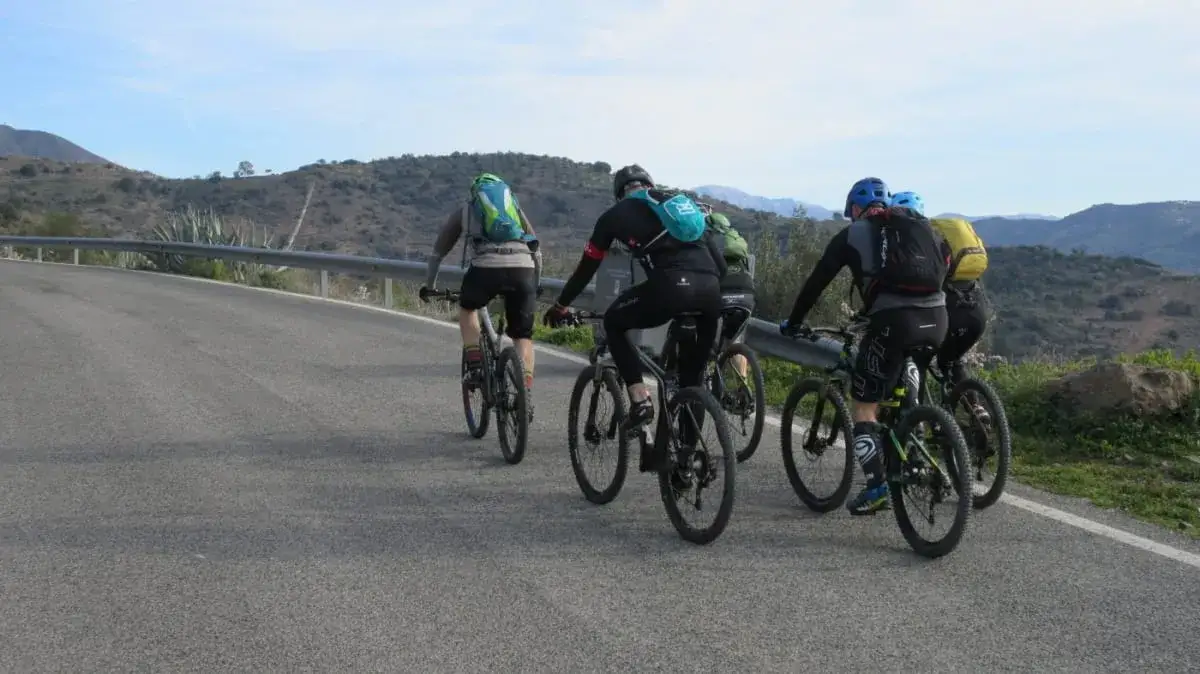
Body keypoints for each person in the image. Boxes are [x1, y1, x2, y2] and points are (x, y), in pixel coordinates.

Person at [780, 177, 950, 515]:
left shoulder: (852, 235)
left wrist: (795, 321)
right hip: (939, 318)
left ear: (855, 209)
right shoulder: (919, 226)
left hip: (894, 322)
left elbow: (817, 281)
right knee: (902, 376)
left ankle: (876, 488)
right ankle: (913, 432)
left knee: (864, 406)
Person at [543, 164, 726, 472]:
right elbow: (720, 266)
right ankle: (686, 462)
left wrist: (561, 304)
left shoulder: (616, 216)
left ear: (620, 194)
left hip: (671, 287)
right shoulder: (679, 205)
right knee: (692, 379)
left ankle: (640, 401)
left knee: (614, 321)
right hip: (710, 292)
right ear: (649, 186)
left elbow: (587, 267)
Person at [420, 172, 543, 415]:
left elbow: (437, 254)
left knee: (468, 309)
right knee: (523, 336)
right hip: (523, 268)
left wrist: (430, 285)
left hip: (485, 270)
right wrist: (534, 285)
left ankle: (475, 364)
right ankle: (524, 393)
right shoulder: (515, 209)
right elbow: (536, 250)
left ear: (475, 193)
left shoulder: (466, 210)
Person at [891, 190, 992, 420]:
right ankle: (976, 409)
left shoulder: (916, 242)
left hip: (947, 314)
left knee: (919, 361)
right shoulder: (943, 236)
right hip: (976, 314)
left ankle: (917, 419)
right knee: (951, 361)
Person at [698, 201, 756, 383]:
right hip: (747, 294)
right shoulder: (734, 239)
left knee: (702, 332)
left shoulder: (704, 239)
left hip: (722, 294)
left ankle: (702, 378)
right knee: (734, 343)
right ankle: (743, 390)